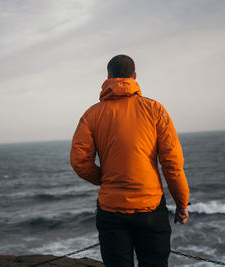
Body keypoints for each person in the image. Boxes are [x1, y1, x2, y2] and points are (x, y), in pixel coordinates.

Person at [70, 54, 189, 267]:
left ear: (108, 76)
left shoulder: (91, 115)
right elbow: (172, 163)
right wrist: (182, 203)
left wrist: (105, 180)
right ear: (134, 76)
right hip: (150, 208)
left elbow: (79, 161)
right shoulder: (155, 110)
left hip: (111, 209)